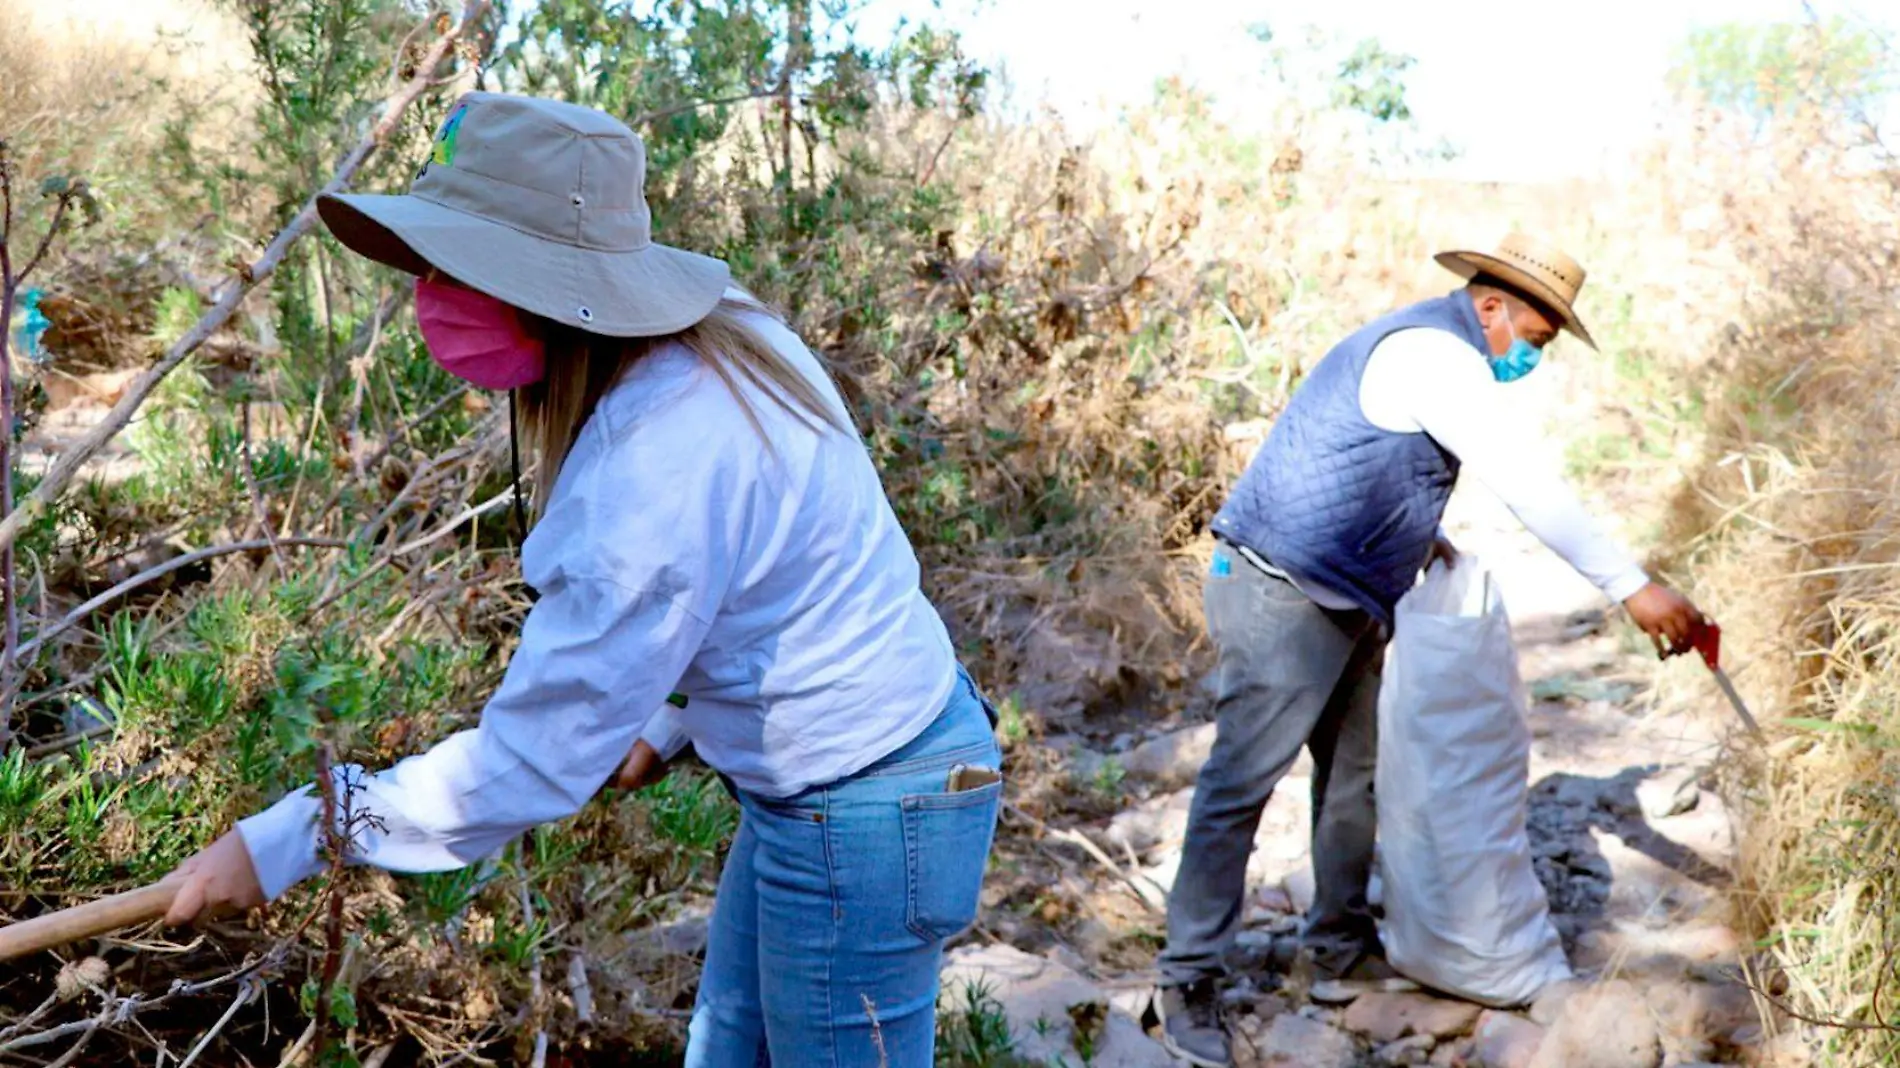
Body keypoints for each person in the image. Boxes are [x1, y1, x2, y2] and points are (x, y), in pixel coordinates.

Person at [158, 91, 1005, 1068]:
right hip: (852, 779)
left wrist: (295, 837)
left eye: (454, 265)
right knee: (724, 1049)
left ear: (541, 291)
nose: (430, 289)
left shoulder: (647, 477)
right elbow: (786, 558)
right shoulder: (731, 332)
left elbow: (527, 764)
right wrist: (668, 715)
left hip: (863, 815)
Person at [1156, 234, 1706, 1067]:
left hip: (1346, 592)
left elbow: (1370, 458)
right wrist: (1632, 586)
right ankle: (1185, 981)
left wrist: (1421, 532)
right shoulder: (1434, 355)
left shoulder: (1437, 353)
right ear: (1491, 307)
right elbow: (1523, 478)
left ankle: (1337, 952)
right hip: (1280, 587)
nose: (1530, 359)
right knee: (1240, 783)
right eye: (1533, 341)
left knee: (1354, 778)